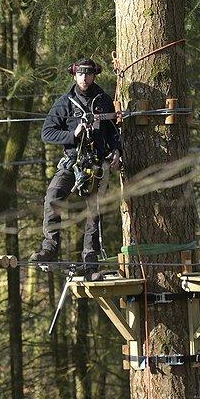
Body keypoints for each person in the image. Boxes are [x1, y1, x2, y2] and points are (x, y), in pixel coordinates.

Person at [29, 58, 122, 270]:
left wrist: (117, 150)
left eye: (89, 74)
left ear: (94, 75)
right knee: (53, 196)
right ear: (74, 75)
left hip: (97, 163)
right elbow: (47, 132)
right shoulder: (65, 103)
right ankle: (50, 248)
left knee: (93, 210)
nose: (85, 78)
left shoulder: (104, 101)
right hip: (72, 161)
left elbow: (115, 131)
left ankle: (90, 257)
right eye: (81, 73)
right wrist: (73, 134)